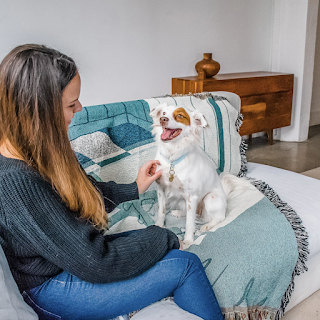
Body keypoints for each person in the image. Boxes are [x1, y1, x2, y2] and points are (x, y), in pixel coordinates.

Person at [0, 44, 223, 320]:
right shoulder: (17, 182)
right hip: (50, 287)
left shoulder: (41, 149)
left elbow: (83, 193)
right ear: (39, 111)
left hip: (67, 261)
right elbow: (97, 261)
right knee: (185, 264)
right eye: (71, 104)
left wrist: (135, 187)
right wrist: (162, 236)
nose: (80, 109)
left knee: (157, 242)